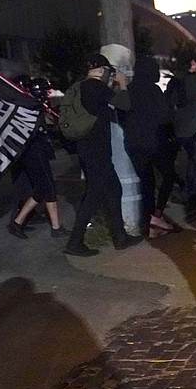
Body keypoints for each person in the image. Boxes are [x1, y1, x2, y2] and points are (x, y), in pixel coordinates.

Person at [64, 54, 144, 257]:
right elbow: (124, 104)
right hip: (96, 150)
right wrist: (123, 84)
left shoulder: (82, 87)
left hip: (87, 148)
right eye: (108, 71)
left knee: (113, 189)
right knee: (94, 195)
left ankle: (120, 237)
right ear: (101, 70)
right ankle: (75, 242)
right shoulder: (96, 87)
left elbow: (106, 107)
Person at [122, 56, 182, 239]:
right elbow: (165, 117)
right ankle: (156, 216)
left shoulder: (129, 90)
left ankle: (150, 225)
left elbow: (122, 114)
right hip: (154, 142)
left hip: (133, 144)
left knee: (147, 184)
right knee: (169, 176)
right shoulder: (154, 90)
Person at [7, 78, 70, 239]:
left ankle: (21, 222)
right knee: (47, 188)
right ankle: (23, 223)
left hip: (34, 152)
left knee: (42, 190)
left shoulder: (32, 107)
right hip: (34, 152)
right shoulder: (29, 108)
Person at [168, 58, 196, 213]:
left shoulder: (174, 81)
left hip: (179, 124)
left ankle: (183, 191)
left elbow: (170, 103)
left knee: (183, 160)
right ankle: (193, 195)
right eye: (193, 62)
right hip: (194, 121)